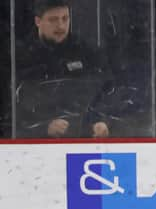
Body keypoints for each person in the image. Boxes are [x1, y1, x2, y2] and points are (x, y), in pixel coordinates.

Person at [15, 0, 112, 138]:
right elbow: (12, 110)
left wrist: (102, 122)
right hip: (36, 145)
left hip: (82, 137)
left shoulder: (87, 52)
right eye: (53, 20)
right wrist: (43, 127)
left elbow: (107, 90)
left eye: (65, 19)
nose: (60, 26)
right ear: (38, 21)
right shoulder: (19, 56)